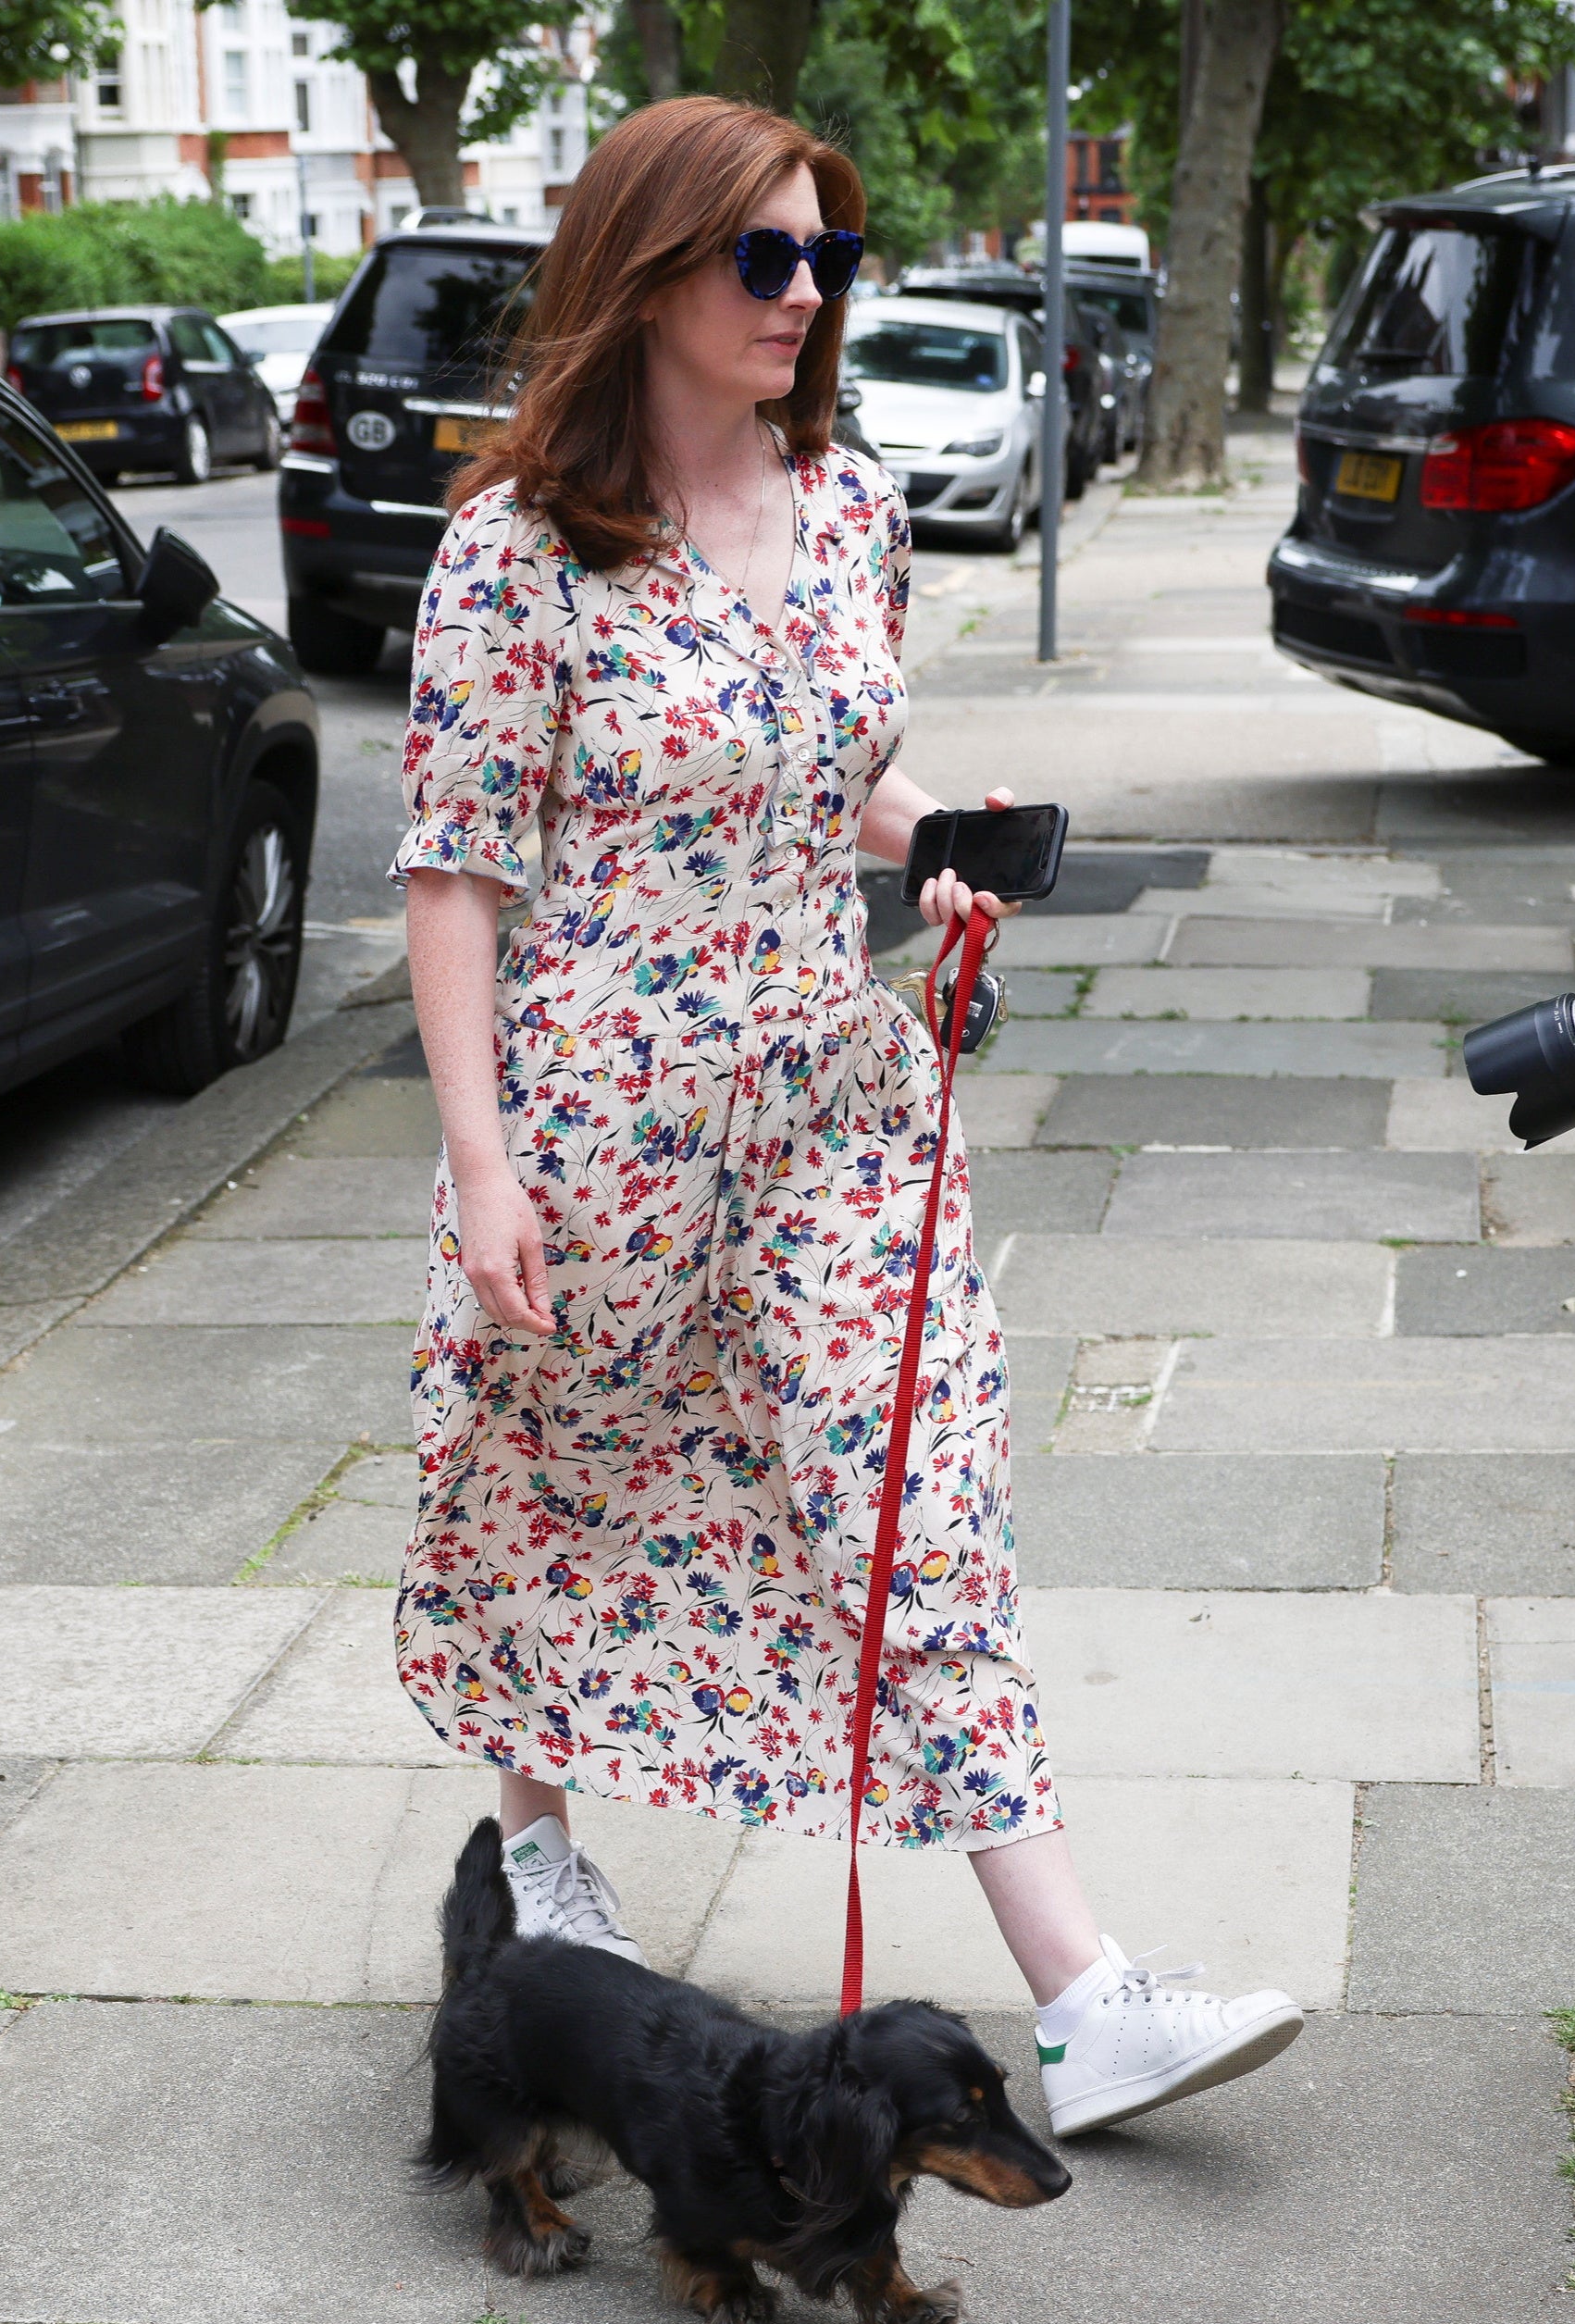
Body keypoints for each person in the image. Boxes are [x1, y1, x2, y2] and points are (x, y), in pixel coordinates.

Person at [390, 93, 1302, 2140]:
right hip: (603, 1110)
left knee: (919, 1496)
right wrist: (480, 1165)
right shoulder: (515, 552)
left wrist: (933, 844)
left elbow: (837, 774)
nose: (805, 296)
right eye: (763, 259)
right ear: (648, 272)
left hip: (831, 1093)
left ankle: (1083, 1991)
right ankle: (538, 1851)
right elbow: (455, 871)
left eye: (824, 260)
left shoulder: (857, 513)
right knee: (553, 1479)